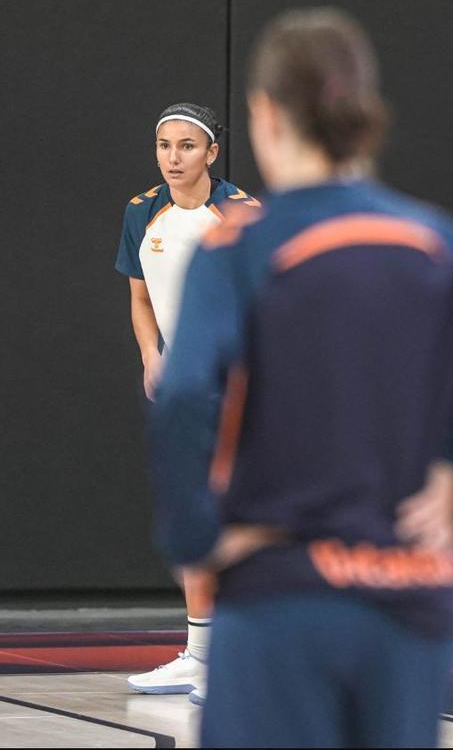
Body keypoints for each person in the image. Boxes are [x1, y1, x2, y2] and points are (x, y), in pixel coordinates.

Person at [149, 8, 453, 747]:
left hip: (282, 598)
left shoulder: (241, 245)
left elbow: (182, 391)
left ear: (265, 116)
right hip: (412, 595)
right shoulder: (431, 241)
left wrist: (192, 538)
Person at [115, 102, 259, 699]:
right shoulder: (141, 212)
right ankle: (201, 655)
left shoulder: (243, 214)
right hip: (186, 392)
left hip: (245, 390)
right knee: (196, 520)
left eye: (187, 147)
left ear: (212, 154)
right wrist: (152, 355)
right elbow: (141, 299)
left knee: (247, 523)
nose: (173, 158)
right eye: (164, 146)